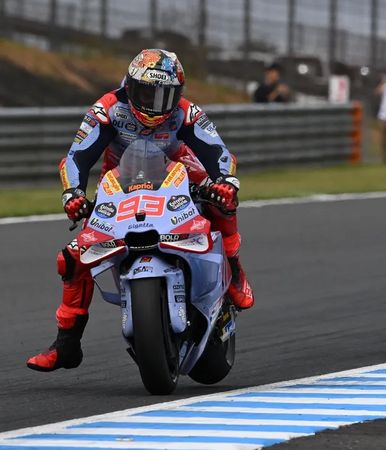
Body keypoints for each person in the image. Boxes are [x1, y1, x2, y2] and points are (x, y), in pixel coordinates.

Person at [26, 49, 255, 372]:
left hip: (178, 168)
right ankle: (66, 344)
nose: (154, 104)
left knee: (223, 200)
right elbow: (76, 157)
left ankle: (234, 270)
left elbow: (219, 152)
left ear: (178, 95)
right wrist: (73, 194)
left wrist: (225, 182)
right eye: (147, 92)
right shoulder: (108, 109)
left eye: (164, 96)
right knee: (74, 256)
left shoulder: (186, 113)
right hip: (120, 178)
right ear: (130, 86)